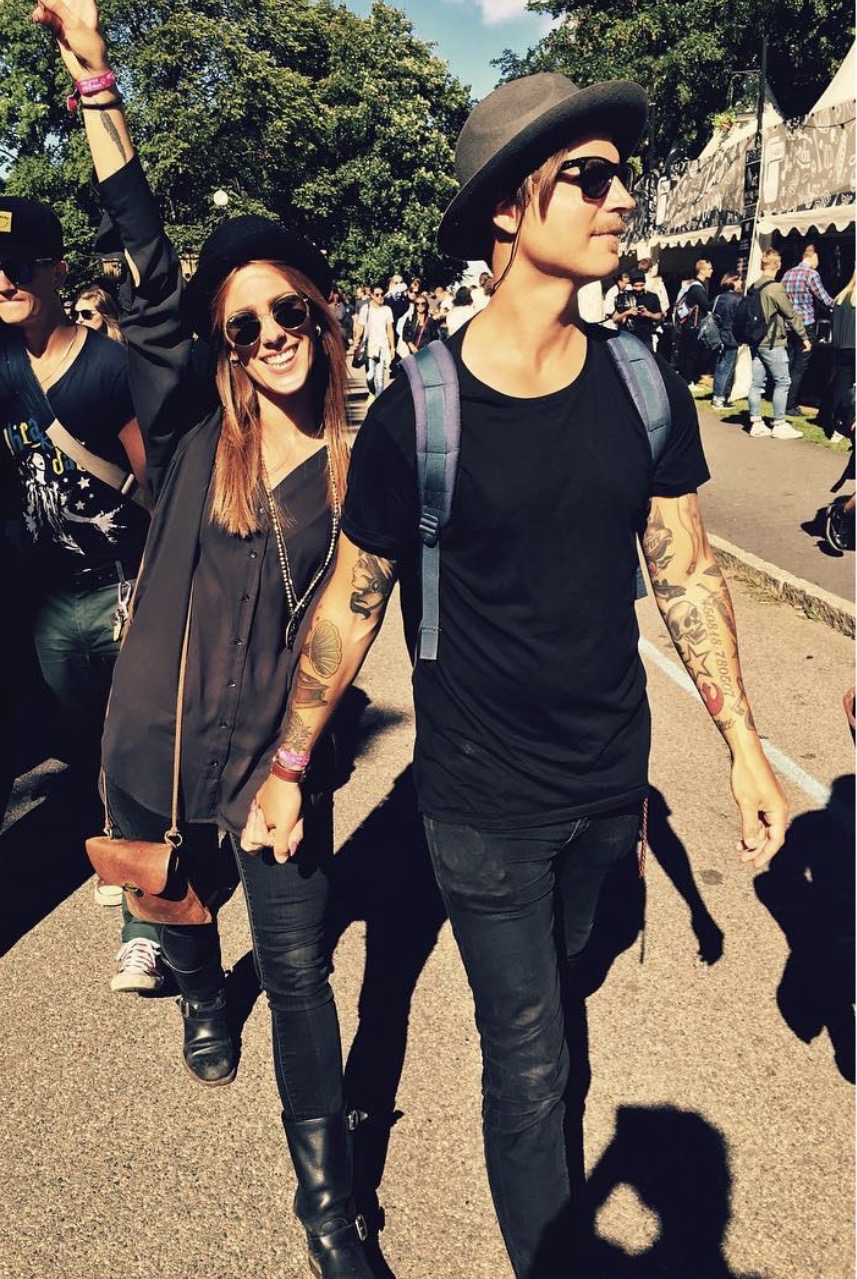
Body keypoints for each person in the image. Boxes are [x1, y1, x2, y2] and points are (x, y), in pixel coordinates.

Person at [249, 71, 788, 1278]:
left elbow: (685, 573)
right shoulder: (420, 410)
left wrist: (743, 749)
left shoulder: (639, 381)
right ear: (505, 206)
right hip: (480, 802)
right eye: (587, 178)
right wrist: (288, 765)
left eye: (619, 176)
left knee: (569, 987)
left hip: (606, 784)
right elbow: (352, 597)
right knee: (530, 1053)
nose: (619, 198)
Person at [38, 2, 375, 1275]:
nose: (269, 336)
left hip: (277, 762)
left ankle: (327, 1209)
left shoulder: (359, 464)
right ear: (221, 346)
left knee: (298, 973)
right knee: (173, 897)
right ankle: (191, 989)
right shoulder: (191, 430)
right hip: (160, 737)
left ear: (321, 313)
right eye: (243, 325)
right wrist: (95, 80)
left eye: (287, 311)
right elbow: (145, 261)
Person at [0, 192, 158, 974]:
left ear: (57, 271)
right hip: (49, 604)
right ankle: (117, 835)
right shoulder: (2, 367)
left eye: (17, 265)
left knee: (130, 749)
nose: (3, 281)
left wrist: (155, 589)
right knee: (84, 742)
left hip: (119, 588)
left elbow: (153, 483)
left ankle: (146, 926)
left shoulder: (108, 368)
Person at [747, 249, 810, 440]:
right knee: (783, 381)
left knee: (756, 384)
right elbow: (790, 314)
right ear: (778, 264)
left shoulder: (754, 286)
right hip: (773, 341)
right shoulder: (775, 288)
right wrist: (804, 337)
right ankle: (779, 423)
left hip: (756, 340)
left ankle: (756, 422)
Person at [781, 243, 835, 415]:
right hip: (805, 324)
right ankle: (790, 404)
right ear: (814, 256)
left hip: (788, 325)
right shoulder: (811, 274)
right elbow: (824, 298)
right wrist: (840, 305)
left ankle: (783, 399)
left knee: (789, 363)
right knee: (800, 366)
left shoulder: (788, 274)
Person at [821, 273, 855, 443]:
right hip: (853, 346)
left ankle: (837, 427)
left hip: (840, 348)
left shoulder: (840, 298)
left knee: (841, 388)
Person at [675, 258, 713, 388]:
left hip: (692, 325)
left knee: (691, 354)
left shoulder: (698, 286)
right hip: (692, 326)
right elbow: (707, 305)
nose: (712, 271)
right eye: (709, 268)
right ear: (702, 270)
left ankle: (689, 379)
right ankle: (687, 380)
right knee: (691, 354)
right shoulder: (697, 288)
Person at [352, 284, 394, 397]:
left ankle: (379, 398)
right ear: (371, 295)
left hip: (383, 345)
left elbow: (389, 328)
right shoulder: (366, 309)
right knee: (370, 375)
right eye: (377, 295)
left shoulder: (387, 310)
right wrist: (356, 341)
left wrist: (392, 347)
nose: (380, 297)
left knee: (380, 377)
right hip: (369, 346)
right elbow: (361, 326)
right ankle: (374, 392)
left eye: (382, 294)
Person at [710, 271, 742, 409]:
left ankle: (717, 395)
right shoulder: (737, 299)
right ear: (733, 281)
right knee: (727, 367)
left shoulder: (719, 298)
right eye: (739, 280)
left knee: (720, 366)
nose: (741, 283)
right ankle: (720, 397)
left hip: (719, 335)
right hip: (732, 335)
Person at [612, 268, 662, 348]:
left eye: (641, 285)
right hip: (628, 336)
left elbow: (659, 315)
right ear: (631, 285)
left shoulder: (652, 297)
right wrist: (628, 312)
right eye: (636, 286)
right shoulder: (624, 297)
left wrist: (649, 314)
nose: (639, 289)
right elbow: (615, 318)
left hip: (646, 336)